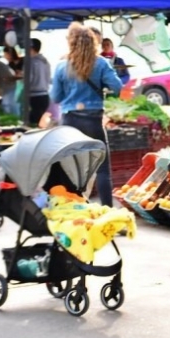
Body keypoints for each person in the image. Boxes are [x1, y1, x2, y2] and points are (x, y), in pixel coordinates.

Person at [51, 23, 124, 207]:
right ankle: (107, 211)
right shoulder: (101, 63)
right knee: (102, 170)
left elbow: (56, 97)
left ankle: (70, 211)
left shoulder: (61, 66)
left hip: (69, 121)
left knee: (68, 169)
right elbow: (117, 87)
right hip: (93, 121)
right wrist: (105, 92)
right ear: (93, 42)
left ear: (71, 43)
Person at [27, 38, 52, 127]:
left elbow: (28, 80)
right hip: (45, 96)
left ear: (31, 48)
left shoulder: (30, 62)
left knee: (32, 126)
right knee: (41, 125)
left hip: (34, 97)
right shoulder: (45, 61)